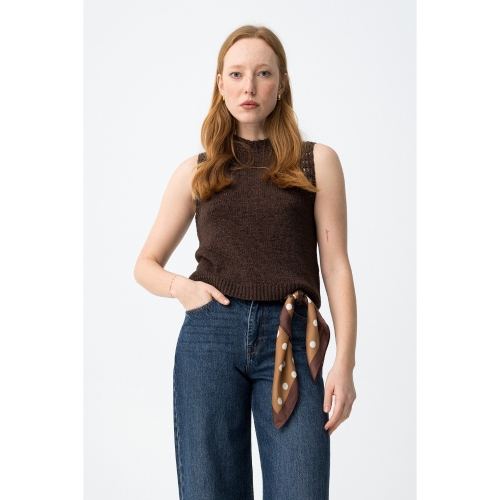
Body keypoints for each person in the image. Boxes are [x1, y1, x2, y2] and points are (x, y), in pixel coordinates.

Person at [134, 24, 357, 500]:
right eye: (236, 74)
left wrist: (345, 363)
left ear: (282, 83)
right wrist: (182, 288)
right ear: (220, 84)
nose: (249, 87)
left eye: (263, 73)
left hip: (291, 337)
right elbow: (145, 264)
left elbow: (336, 265)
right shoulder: (197, 170)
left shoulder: (316, 161)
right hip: (209, 338)